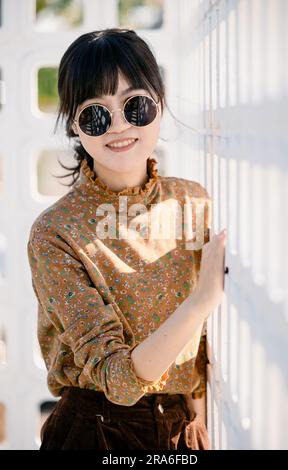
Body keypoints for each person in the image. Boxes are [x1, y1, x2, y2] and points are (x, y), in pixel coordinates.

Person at [27, 28, 227, 451]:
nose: (118, 126)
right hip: (93, 432)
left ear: (160, 103)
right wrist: (201, 301)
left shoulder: (193, 203)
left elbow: (199, 352)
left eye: (135, 106)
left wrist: (198, 421)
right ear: (73, 126)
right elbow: (118, 379)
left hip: (182, 433)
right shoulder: (55, 233)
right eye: (96, 114)